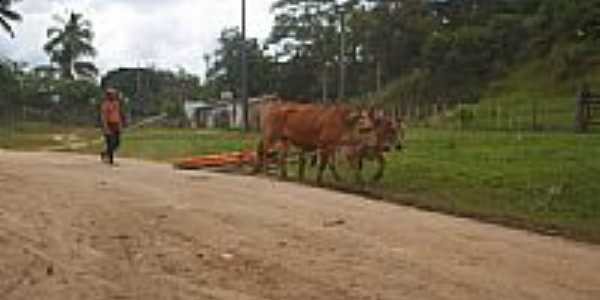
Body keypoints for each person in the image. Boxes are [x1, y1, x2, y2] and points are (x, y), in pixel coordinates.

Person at [100, 88, 124, 165]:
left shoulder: (116, 104)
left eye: (114, 94)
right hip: (109, 124)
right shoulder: (105, 105)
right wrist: (106, 128)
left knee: (117, 142)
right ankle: (110, 160)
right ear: (108, 96)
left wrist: (120, 125)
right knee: (111, 142)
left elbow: (118, 115)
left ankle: (105, 153)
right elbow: (104, 117)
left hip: (116, 124)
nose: (113, 96)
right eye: (112, 94)